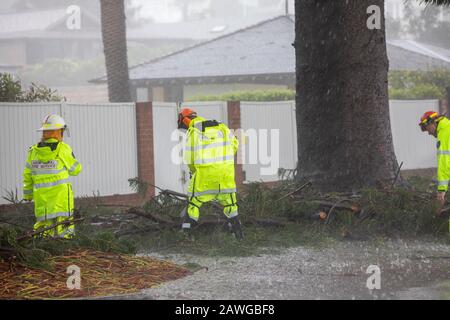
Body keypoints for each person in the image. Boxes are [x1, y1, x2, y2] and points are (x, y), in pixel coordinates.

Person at [177, 108, 243, 240]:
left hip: (204, 175)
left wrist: (193, 172)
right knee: (231, 204)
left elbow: (189, 158)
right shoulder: (221, 126)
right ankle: (239, 236)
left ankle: (186, 236)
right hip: (225, 174)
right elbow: (235, 145)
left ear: (185, 121)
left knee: (194, 204)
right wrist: (222, 162)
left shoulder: (194, 130)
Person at [23, 114, 82, 238]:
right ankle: (67, 250)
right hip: (61, 199)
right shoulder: (63, 149)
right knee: (65, 228)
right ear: (58, 132)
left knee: (43, 229)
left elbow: (27, 175)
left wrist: (28, 195)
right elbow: (76, 170)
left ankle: (43, 250)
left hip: (42, 200)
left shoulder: (33, 152)